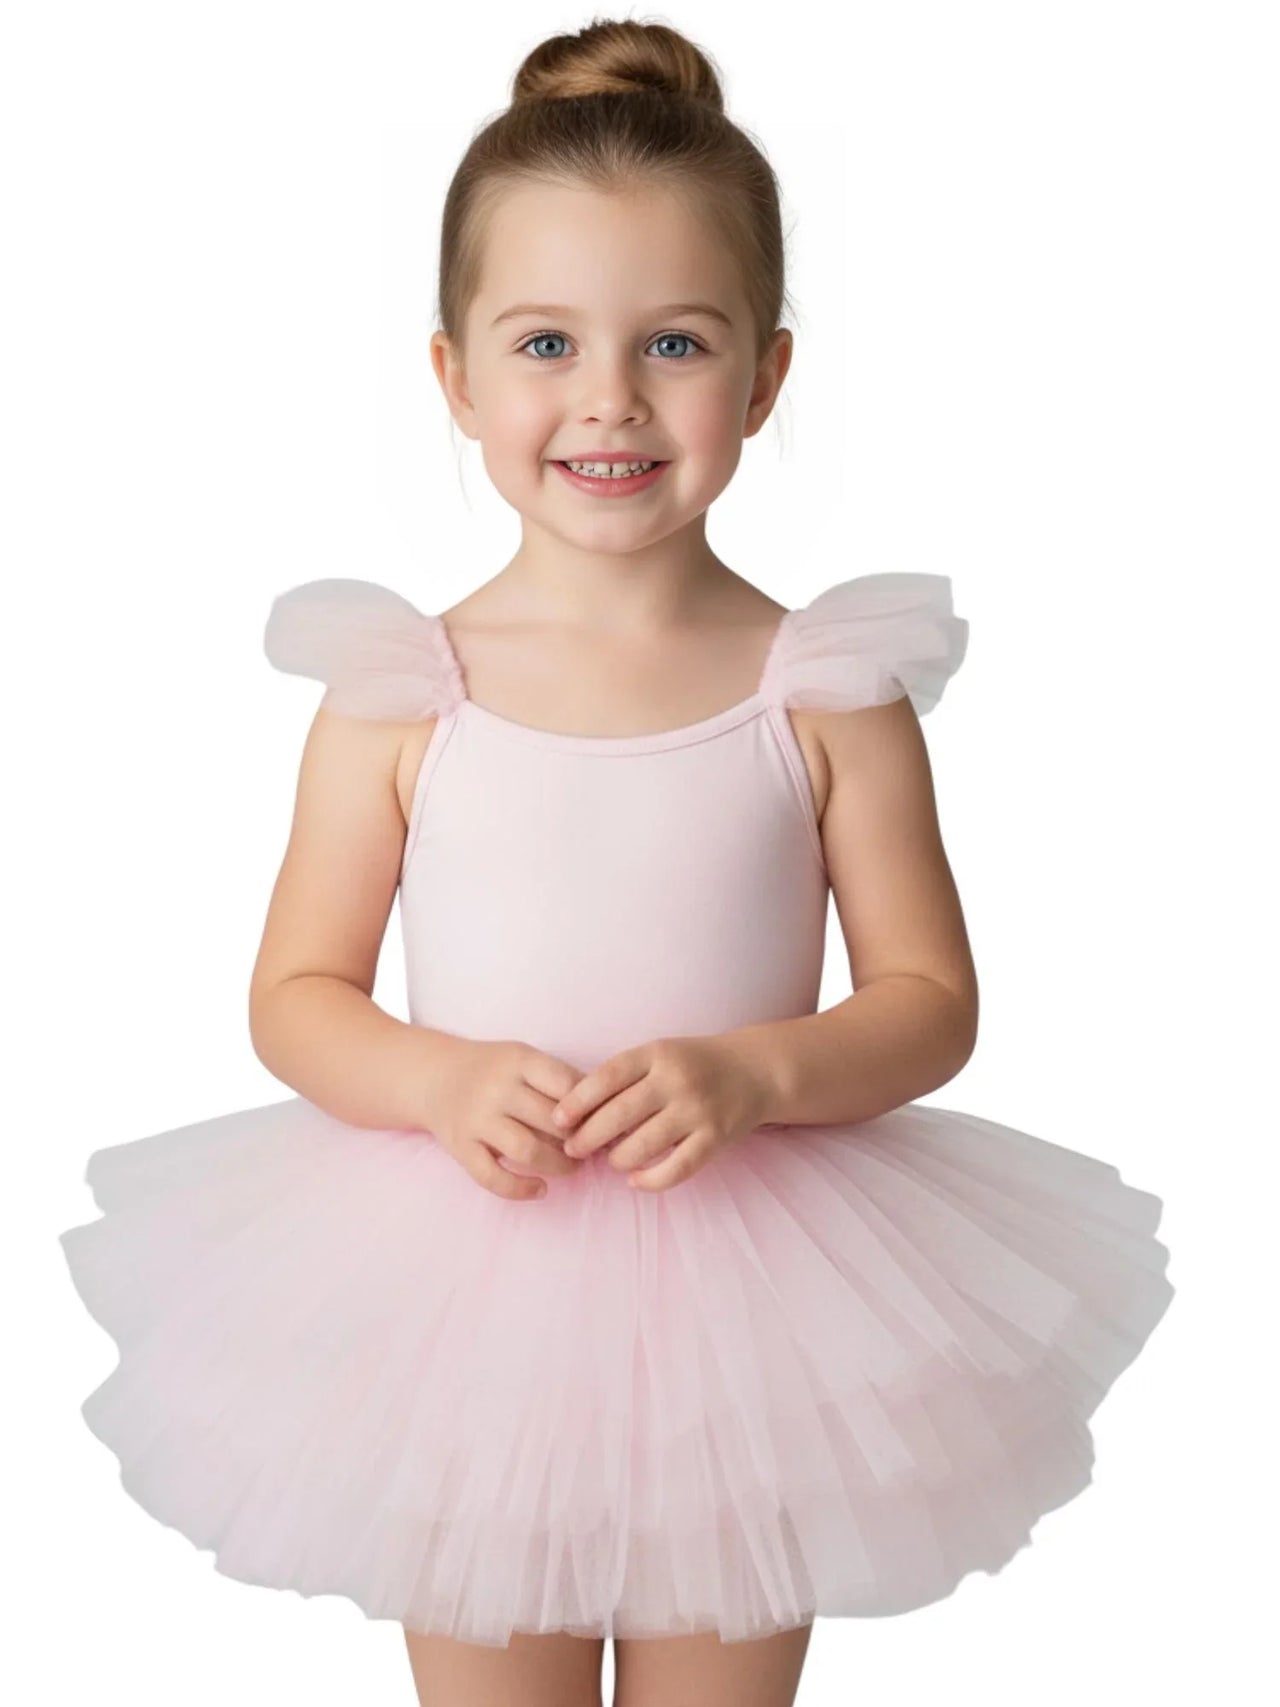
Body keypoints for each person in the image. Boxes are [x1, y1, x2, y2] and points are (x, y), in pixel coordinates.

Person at [57, 17, 1175, 1707]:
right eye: (544, 342)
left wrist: (757, 1068)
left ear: (767, 375)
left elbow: (931, 1003)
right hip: (464, 1296)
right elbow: (295, 999)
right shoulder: (399, 693)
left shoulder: (826, 687)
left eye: (673, 342)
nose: (608, 400)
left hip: (756, 1303)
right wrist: (431, 1083)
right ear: (452, 376)